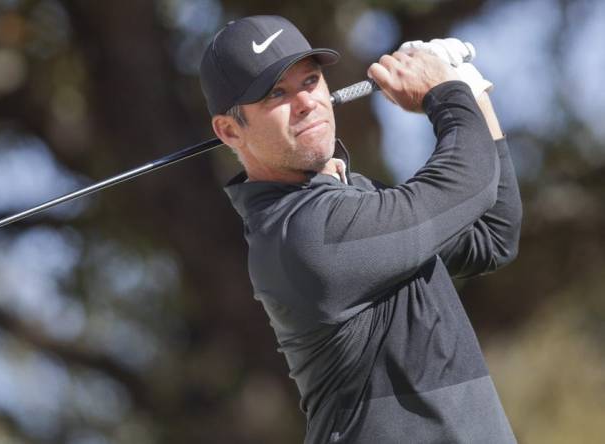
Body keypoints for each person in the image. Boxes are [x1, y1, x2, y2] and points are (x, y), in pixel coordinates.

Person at [199, 15, 521, 443]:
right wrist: (443, 93)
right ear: (229, 130)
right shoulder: (302, 233)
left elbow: (492, 236)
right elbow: (466, 183)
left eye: (310, 81)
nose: (305, 102)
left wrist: (471, 93)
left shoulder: (351, 199)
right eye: (276, 93)